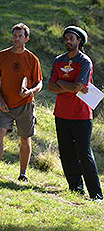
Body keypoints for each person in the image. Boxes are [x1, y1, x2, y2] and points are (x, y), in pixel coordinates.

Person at [48, 26, 103, 201]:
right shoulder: (58, 60)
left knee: (84, 153)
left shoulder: (85, 61)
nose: (68, 42)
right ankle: (75, 189)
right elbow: (50, 86)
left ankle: (96, 194)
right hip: (61, 114)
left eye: (71, 38)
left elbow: (78, 87)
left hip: (81, 115)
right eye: (66, 39)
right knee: (66, 152)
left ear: (79, 41)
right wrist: (70, 85)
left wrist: (61, 83)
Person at [0, 23, 43, 181]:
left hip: (25, 105)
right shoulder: (1, 56)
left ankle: (23, 174)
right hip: (6, 105)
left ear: (26, 39)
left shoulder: (32, 59)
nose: (16, 39)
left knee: (25, 139)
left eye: (20, 36)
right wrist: (0, 100)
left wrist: (30, 91)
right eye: (14, 35)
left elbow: (39, 83)